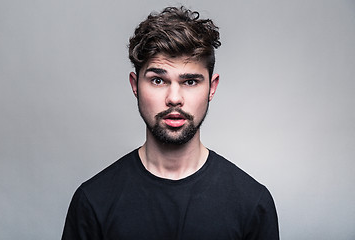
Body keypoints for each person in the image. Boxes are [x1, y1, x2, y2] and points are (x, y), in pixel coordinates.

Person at [62, 6, 279, 240]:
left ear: (212, 87)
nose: (174, 98)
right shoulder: (93, 201)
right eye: (158, 80)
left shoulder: (253, 204)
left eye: (190, 82)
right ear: (135, 85)